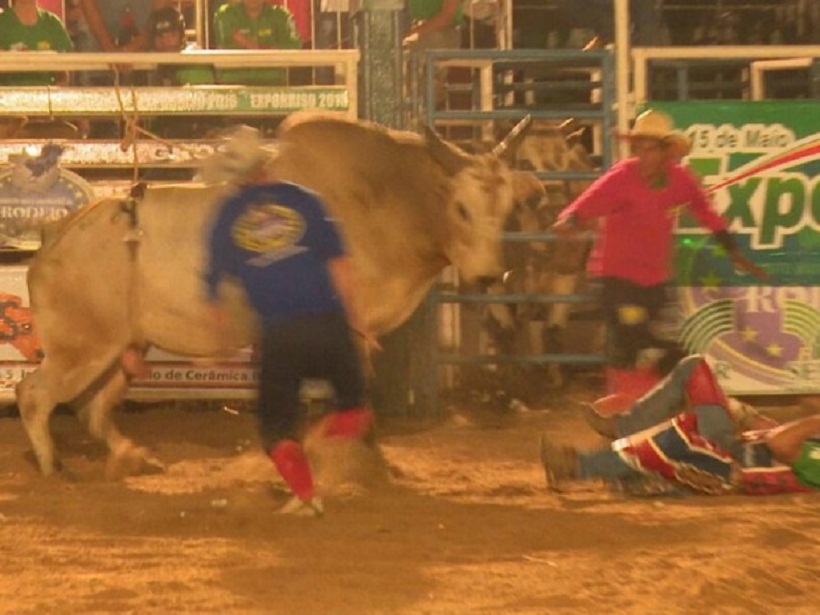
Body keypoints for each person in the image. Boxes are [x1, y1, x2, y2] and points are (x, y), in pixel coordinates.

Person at [201, 126, 380, 517]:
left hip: (278, 334)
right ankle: (317, 445)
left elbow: (214, 289)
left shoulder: (226, 215)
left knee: (276, 429)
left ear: (234, 178)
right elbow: (341, 266)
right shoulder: (307, 201)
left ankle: (305, 492)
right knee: (355, 408)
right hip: (329, 324)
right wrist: (360, 323)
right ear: (267, 166)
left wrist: (222, 340)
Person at [551, 109, 767, 408]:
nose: (645, 154)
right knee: (632, 339)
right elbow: (589, 202)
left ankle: (642, 408)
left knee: (664, 348)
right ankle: (629, 409)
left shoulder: (680, 180)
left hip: (654, 279)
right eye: (640, 147)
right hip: (616, 277)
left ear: (665, 151)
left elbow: (705, 211)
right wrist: (570, 219)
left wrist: (732, 251)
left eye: (651, 147)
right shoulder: (622, 177)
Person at [540, 354, 820, 496]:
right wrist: (741, 413)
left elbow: (780, 444)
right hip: (730, 448)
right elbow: (772, 437)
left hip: (726, 464)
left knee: (674, 440)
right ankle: (619, 434)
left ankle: (580, 466)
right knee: (694, 370)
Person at [213, 0, 302, 86]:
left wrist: (256, 47)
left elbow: (294, 46)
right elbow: (224, 46)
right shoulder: (225, 15)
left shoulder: (281, 16)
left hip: (272, 85)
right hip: (233, 85)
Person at [0, 0, 74, 86]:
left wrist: (54, 96)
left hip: (47, 96)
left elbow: (63, 75)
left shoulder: (53, 24)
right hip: (7, 96)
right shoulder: (2, 24)